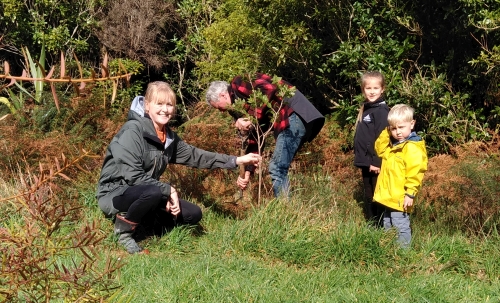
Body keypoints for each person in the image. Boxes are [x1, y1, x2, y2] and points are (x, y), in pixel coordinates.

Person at [96, 81, 261, 254]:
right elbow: (133, 177)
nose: (165, 109)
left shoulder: (168, 138)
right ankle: (123, 234)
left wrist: (238, 160)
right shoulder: (132, 131)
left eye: (169, 105)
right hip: (115, 193)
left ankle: (147, 226)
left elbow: (197, 156)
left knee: (193, 214)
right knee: (153, 192)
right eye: (159, 104)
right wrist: (168, 190)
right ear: (147, 105)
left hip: (148, 191)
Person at [206, 73, 324, 197]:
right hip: (290, 120)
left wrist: (251, 117)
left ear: (222, 95)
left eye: (219, 108)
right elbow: (256, 137)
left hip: (293, 113)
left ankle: (287, 213)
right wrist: (248, 171)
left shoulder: (238, 83)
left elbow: (269, 88)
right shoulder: (239, 109)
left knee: (277, 168)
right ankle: (289, 211)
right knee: (279, 167)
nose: (222, 111)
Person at [373, 104, 428, 248]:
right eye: (393, 128)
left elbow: (415, 172)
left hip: (400, 198)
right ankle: (390, 251)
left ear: (412, 124)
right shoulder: (394, 147)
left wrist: (410, 194)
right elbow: (379, 149)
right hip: (389, 198)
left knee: (400, 225)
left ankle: (404, 254)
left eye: (401, 127)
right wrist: (386, 131)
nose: (397, 132)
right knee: (388, 224)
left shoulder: (411, 147)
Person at [353, 71, 390, 226]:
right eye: (368, 88)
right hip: (366, 161)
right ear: (363, 90)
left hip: (375, 163)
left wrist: (376, 160)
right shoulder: (367, 108)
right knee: (368, 195)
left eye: (376, 88)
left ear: (382, 89)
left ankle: (382, 226)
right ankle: (372, 225)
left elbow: (384, 138)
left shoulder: (381, 111)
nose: (372, 91)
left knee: (377, 195)